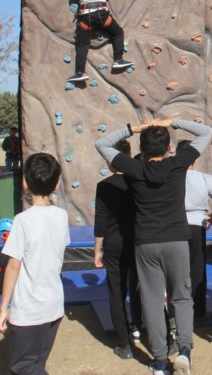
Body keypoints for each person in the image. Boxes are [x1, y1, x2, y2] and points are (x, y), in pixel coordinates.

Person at [95, 118, 212, 375]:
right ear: (169, 147)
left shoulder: (134, 168)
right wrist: (173, 121)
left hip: (146, 242)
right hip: (177, 240)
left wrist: (131, 128)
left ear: (143, 149)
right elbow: (206, 131)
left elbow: (101, 143)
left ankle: (160, 361)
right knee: (181, 297)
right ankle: (183, 350)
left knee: (151, 300)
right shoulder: (178, 163)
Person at [0, 152, 70, 374]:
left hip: (29, 309)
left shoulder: (22, 221)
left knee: (24, 366)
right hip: (53, 305)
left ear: (25, 182)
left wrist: (3, 307)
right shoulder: (61, 216)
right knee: (37, 362)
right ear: (57, 184)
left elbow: (13, 265)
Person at [93, 139, 142, 359]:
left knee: (117, 292)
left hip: (114, 244)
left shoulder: (105, 186)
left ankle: (125, 343)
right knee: (143, 287)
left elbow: (100, 221)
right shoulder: (139, 182)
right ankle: (141, 326)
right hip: (140, 242)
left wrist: (97, 249)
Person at [177, 140, 212, 324]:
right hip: (196, 225)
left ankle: (174, 313)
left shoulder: (171, 176)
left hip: (174, 225)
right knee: (197, 269)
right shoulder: (202, 178)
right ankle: (198, 311)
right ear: (195, 158)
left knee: (174, 268)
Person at [67, 0, 132, 82]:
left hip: (85, 16)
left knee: (82, 44)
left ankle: (80, 72)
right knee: (118, 33)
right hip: (101, 14)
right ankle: (118, 59)